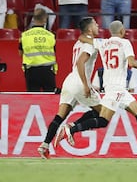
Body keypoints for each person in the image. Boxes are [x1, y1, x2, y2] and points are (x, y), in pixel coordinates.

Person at [56, 20, 137, 158]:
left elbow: (81, 38)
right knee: (103, 121)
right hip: (116, 88)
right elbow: (131, 63)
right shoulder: (125, 43)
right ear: (122, 31)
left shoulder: (103, 43)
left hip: (117, 89)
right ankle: (71, 129)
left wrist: (87, 38)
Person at [38, 17, 102, 159]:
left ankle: (45, 145)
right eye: (96, 24)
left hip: (70, 81)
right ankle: (71, 127)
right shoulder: (89, 45)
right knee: (103, 113)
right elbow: (80, 63)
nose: (98, 26)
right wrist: (86, 85)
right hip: (80, 82)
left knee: (60, 116)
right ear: (90, 29)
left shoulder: (79, 42)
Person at [19, 7, 58, 92]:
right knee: (50, 97)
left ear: (33, 19)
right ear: (45, 19)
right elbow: (54, 52)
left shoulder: (24, 35)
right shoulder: (50, 36)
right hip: (47, 70)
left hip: (31, 70)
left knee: (33, 97)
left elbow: (20, 53)